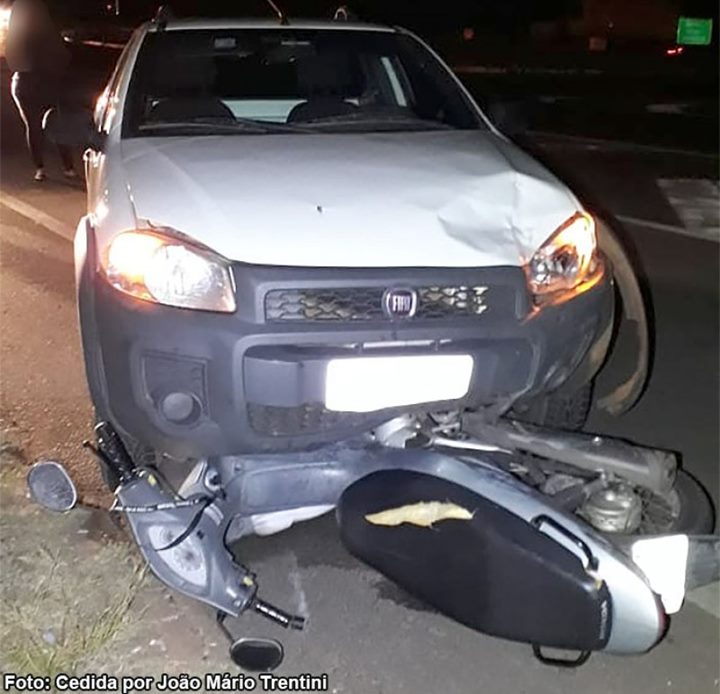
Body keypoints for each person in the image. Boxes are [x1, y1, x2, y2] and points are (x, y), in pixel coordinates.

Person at [5, 0, 77, 182]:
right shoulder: (45, 28)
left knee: (33, 125)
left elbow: (11, 57)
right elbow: (62, 56)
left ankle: (40, 168)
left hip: (21, 80)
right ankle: (68, 168)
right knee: (56, 120)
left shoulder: (16, 26)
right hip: (45, 80)